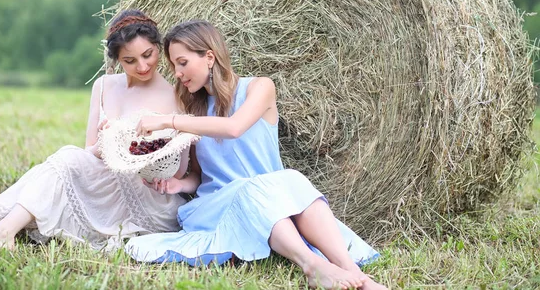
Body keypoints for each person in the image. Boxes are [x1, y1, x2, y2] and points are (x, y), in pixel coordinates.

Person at [127, 20, 386, 290]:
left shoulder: (259, 88)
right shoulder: (193, 110)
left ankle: (356, 275)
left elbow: (234, 127)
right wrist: (178, 184)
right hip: (218, 205)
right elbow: (200, 176)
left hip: (272, 201)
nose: (178, 73)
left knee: (289, 179)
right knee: (253, 190)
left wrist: (169, 121)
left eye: (182, 62)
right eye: (173, 66)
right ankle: (313, 266)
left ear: (209, 57)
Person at [0, 10, 189, 250]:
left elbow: (179, 171)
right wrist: (107, 142)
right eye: (129, 61)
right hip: (104, 182)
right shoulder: (103, 85)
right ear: (117, 60)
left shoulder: (177, 98)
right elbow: (89, 153)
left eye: (148, 54)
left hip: (148, 196)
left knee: (63, 161)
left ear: (159, 47)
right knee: (64, 163)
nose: (143, 66)